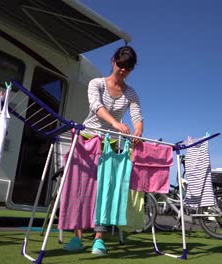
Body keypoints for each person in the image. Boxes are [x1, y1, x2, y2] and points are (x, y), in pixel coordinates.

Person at [62, 45, 143, 255]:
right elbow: (96, 106)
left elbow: (137, 117)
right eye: (121, 64)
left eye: (129, 67)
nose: (123, 69)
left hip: (112, 145)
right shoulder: (96, 83)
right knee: (80, 189)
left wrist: (138, 133)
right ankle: (77, 237)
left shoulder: (131, 93)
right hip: (88, 140)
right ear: (113, 61)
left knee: (106, 192)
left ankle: (99, 239)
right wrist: (116, 124)